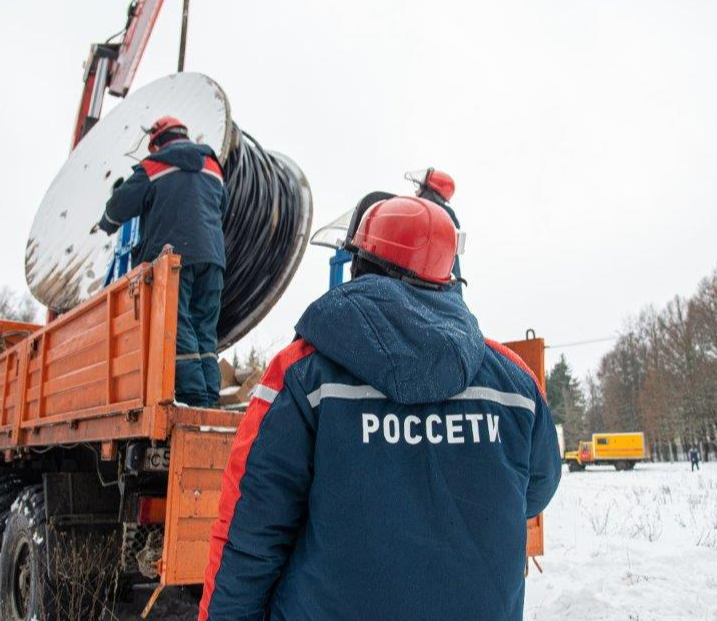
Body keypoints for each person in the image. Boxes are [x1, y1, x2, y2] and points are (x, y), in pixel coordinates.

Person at [198, 195, 562, 621]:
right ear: (447, 276)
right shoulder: (516, 384)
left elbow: (251, 533)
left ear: (361, 265)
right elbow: (536, 491)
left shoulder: (302, 375)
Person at [96, 116, 228, 407]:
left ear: (156, 142)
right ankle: (209, 397)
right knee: (205, 328)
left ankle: (193, 397)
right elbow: (222, 207)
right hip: (213, 259)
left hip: (174, 260)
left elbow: (119, 206)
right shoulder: (213, 166)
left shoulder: (153, 166)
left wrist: (105, 223)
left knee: (176, 324)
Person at [408, 167, 464, 294]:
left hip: (435, 294)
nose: (416, 193)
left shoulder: (433, 218)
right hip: (445, 297)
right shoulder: (443, 219)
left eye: (421, 188)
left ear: (430, 192)